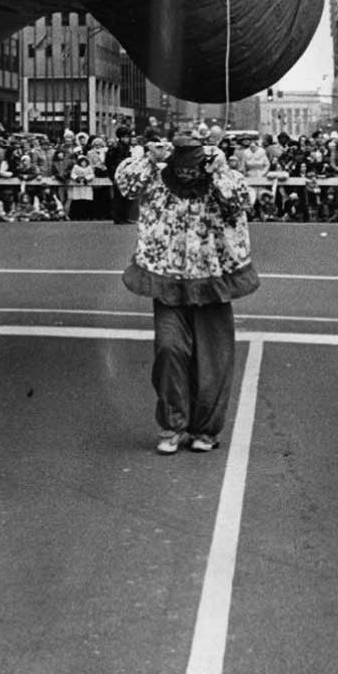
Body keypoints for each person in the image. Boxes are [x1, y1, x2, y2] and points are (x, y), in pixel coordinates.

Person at [115, 129, 259, 454]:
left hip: (213, 278)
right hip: (167, 278)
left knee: (214, 358)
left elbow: (242, 201)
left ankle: (205, 429)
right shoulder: (155, 177)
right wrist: (149, 156)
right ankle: (172, 425)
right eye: (181, 166)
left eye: (193, 166)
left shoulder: (220, 176)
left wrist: (221, 170)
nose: (187, 173)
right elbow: (125, 186)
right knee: (169, 349)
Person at [105, 125, 135, 224]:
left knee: (125, 196)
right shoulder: (116, 148)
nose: (128, 139)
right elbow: (109, 162)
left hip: (125, 174)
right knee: (119, 197)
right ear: (121, 137)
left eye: (128, 137)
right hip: (118, 174)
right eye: (126, 137)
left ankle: (124, 217)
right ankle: (118, 217)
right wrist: (113, 174)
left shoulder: (126, 148)